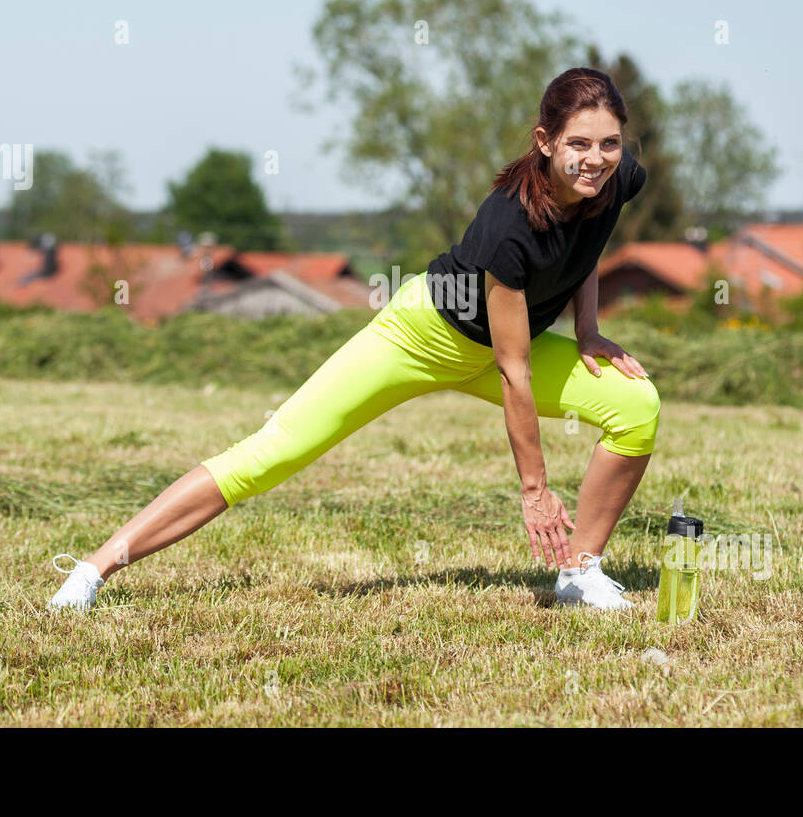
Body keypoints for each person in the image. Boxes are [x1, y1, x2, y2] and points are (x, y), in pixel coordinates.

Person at [49, 67, 660, 613]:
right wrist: (534, 490)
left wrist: (587, 331)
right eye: (578, 143)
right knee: (272, 452)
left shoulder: (613, 180)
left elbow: (588, 245)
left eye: (608, 143)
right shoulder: (508, 224)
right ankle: (93, 569)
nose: (596, 158)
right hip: (423, 332)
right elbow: (513, 372)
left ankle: (579, 573)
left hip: (501, 349)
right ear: (545, 141)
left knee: (637, 406)